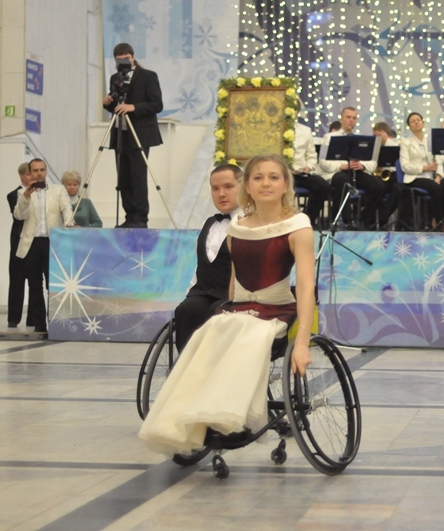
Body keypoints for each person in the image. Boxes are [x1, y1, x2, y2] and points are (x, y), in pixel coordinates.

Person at [139, 154, 314, 456]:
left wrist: (302, 343)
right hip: (241, 308)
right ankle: (189, 419)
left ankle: (227, 418)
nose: (266, 183)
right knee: (210, 333)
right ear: (248, 185)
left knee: (243, 331)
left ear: (286, 184)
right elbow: (235, 288)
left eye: (274, 177)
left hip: (278, 310)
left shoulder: (298, 227)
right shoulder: (238, 228)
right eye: (257, 177)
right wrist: (226, 311)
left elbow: (307, 288)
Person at [173, 164, 243, 352]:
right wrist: (190, 293)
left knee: (217, 313)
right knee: (186, 310)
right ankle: (187, 364)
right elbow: (202, 266)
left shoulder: (250, 223)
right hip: (204, 292)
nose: (221, 194)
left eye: (228, 187)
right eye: (215, 188)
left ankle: (217, 364)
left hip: (232, 295)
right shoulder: (209, 223)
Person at [102, 43, 163, 228]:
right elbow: (116, 106)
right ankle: (129, 217)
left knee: (138, 175)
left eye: (126, 58)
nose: (124, 63)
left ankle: (141, 218)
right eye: (119, 60)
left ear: (133, 57)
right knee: (123, 177)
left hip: (140, 133)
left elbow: (157, 104)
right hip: (121, 133)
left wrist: (133, 107)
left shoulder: (148, 76)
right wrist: (108, 103)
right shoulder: (115, 78)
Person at [13, 159, 72, 334]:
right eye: (35, 170)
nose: (39, 173)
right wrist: (26, 196)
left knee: (54, 285)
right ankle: (40, 325)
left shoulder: (58, 189)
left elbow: (66, 208)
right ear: (30, 173)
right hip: (31, 244)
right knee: (34, 285)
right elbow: (19, 215)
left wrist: (68, 222)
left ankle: (56, 323)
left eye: (42, 170)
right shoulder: (22, 193)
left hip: (53, 242)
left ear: (46, 171)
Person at [319, 107, 382, 228]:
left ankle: (363, 219)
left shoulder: (361, 139)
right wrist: (341, 166)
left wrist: (362, 165)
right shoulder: (329, 137)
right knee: (342, 181)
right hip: (338, 173)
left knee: (378, 186)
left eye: (354, 118)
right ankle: (346, 220)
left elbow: (373, 162)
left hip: (356, 173)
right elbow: (322, 162)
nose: (351, 120)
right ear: (341, 119)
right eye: (348, 117)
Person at [399, 112, 444, 230]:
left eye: (418, 120)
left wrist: (438, 176)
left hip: (433, 176)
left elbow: (439, 161)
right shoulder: (406, 143)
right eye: (413, 121)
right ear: (409, 126)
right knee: (436, 188)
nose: (416, 122)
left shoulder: (431, 141)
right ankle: (438, 222)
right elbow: (405, 166)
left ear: (423, 123)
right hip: (415, 177)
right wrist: (424, 168)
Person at [7, 163, 32, 328]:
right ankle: (13, 318)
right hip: (19, 240)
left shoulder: (42, 193)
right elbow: (19, 216)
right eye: (28, 174)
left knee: (35, 280)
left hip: (35, 240)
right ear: (21, 176)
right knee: (17, 279)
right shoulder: (13, 195)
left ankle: (33, 318)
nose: (31, 177)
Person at [292, 122, 331, 228]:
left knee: (323, 186)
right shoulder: (274, 128)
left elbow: (312, 156)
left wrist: (308, 166)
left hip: (300, 173)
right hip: (281, 173)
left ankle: (308, 221)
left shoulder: (305, 130)